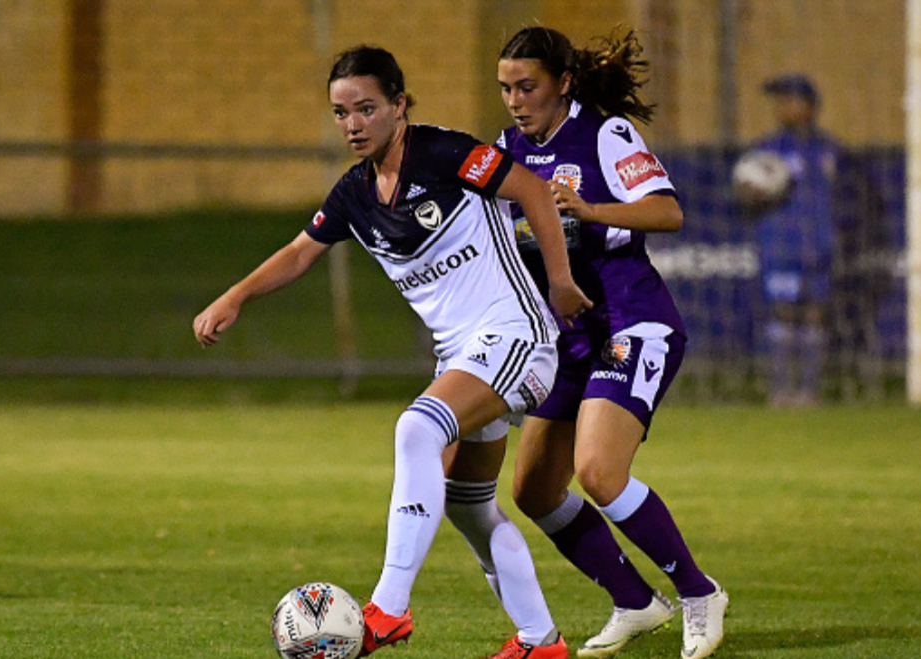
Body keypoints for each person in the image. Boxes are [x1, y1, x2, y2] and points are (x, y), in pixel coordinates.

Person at [193, 45, 592, 659]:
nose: (353, 124)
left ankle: (389, 608)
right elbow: (302, 252)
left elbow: (536, 192)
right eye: (340, 112)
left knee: (416, 429)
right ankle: (541, 641)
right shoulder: (355, 192)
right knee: (468, 506)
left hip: (516, 337)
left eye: (367, 108)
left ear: (399, 104)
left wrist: (561, 282)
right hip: (463, 357)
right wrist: (235, 296)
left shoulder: (444, 153)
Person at [493, 26, 728, 659]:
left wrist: (591, 210)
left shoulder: (605, 135)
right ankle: (634, 601)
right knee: (534, 491)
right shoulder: (506, 149)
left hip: (630, 321)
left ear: (563, 83)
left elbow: (667, 211)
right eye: (506, 89)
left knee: (599, 471)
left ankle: (699, 592)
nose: (516, 101)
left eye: (528, 87)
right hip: (563, 337)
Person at [741, 73, 840, 407]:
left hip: (818, 246)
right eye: (778, 101)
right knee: (782, 313)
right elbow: (744, 192)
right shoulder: (767, 149)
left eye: (788, 99)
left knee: (814, 314)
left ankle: (809, 392)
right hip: (779, 245)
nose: (781, 107)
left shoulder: (828, 149)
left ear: (808, 105)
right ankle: (781, 391)